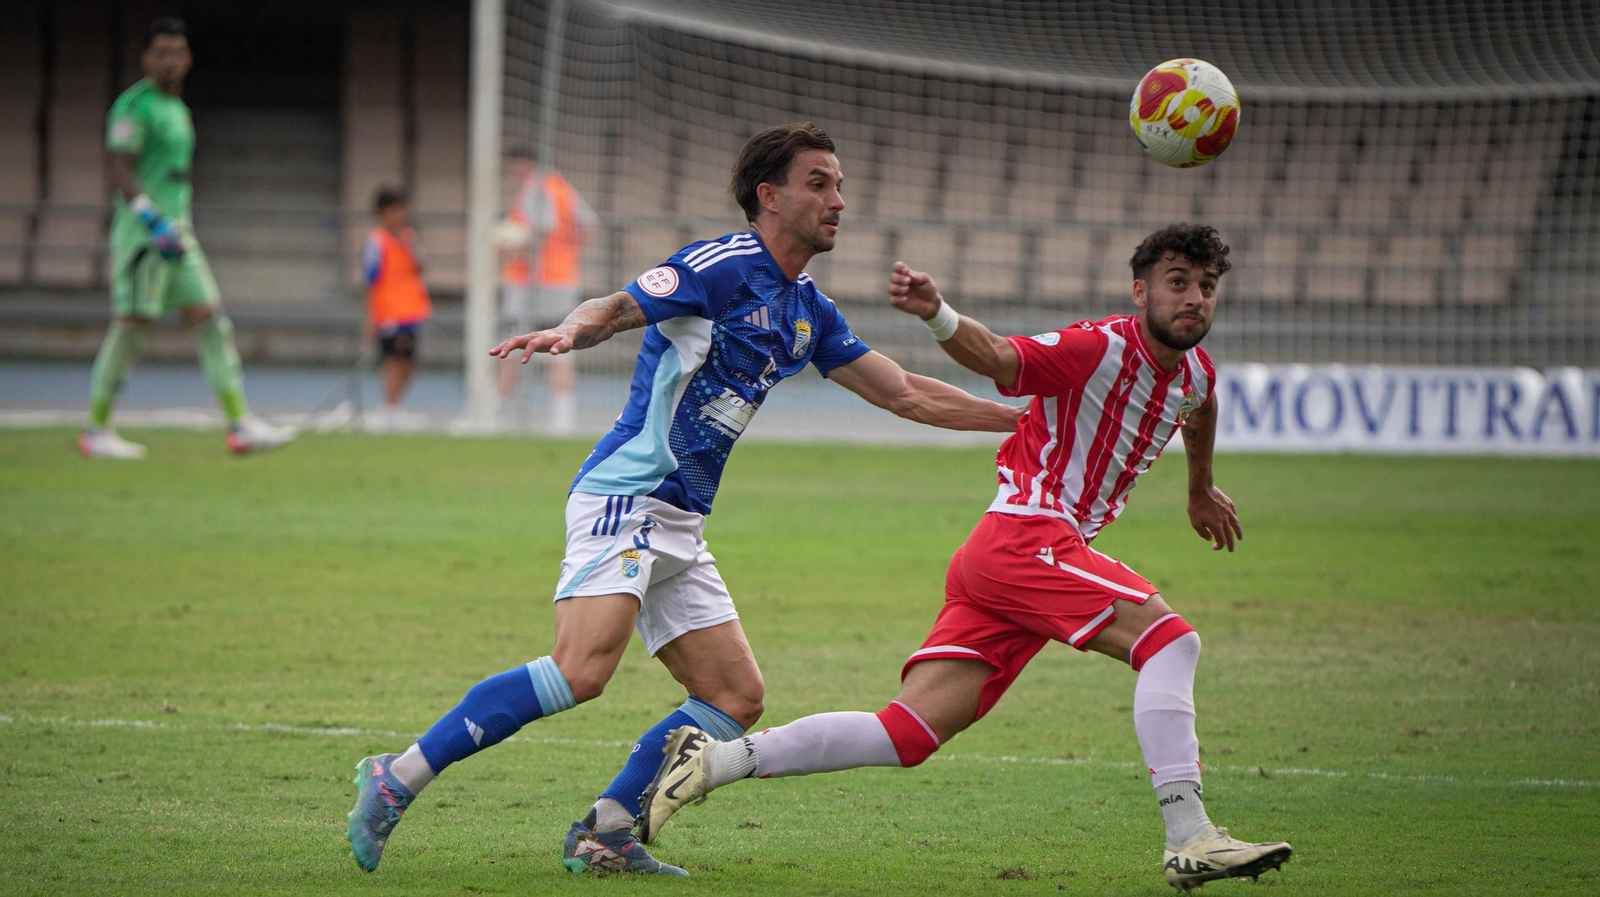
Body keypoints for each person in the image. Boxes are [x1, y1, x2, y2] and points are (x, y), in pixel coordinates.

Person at [345, 122, 1022, 876]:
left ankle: (606, 830)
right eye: (819, 184)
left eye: (839, 185)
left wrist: (1024, 417)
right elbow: (619, 304)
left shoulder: (809, 310)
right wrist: (571, 329)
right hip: (628, 494)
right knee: (582, 669)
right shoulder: (723, 265)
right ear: (769, 196)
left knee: (733, 694)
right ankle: (396, 775)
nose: (838, 200)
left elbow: (905, 393)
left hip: (681, 519)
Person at [636, 224, 1293, 893]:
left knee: (907, 733)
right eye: (1177, 282)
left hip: (1010, 560)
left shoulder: (1193, 372)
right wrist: (937, 313)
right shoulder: (1098, 346)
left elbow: (1199, 404)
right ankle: (1190, 835)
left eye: (1207, 287)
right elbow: (1003, 360)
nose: (1194, 299)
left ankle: (713, 761)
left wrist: (1200, 485)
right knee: (1171, 643)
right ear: (1141, 289)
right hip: (1027, 538)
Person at [79, 17, 295, 459]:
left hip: (179, 235)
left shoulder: (179, 110)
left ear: (189, 58)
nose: (171, 61)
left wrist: (174, 224)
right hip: (144, 237)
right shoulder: (133, 107)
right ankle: (96, 429)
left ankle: (239, 424)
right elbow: (120, 169)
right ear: (146, 58)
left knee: (212, 321)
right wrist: (151, 220)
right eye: (162, 52)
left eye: (177, 52)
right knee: (131, 328)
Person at [495, 144, 598, 433]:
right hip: (562, 278)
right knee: (561, 345)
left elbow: (540, 228)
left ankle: (495, 412)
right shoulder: (563, 187)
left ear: (525, 163)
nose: (513, 173)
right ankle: (562, 418)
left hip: (532, 282)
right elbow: (589, 226)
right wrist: (565, 253)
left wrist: (511, 245)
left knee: (512, 342)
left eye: (515, 166)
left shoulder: (536, 187)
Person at [362, 187, 432, 431]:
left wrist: (411, 247)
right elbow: (370, 281)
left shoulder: (408, 237)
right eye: (395, 210)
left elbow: (421, 266)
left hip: (411, 310)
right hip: (389, 312)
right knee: (392, 361)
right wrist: (370, 319)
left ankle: (394, 407)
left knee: (410, 362)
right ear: (383, 212)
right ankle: (388, 409)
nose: (401, 215)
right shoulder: (376, 241)